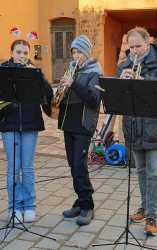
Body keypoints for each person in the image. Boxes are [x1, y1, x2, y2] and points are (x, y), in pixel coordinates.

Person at [117, 27, 157, 235]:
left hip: (155, 126)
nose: (134, 51)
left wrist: (144, 84)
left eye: (138, 46)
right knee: (140, 171)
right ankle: (143, 207)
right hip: (134, 126)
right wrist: (122, 83)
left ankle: (152, 215)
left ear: (148, 42)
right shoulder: (125, 64)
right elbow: (119, 98)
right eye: (131, 47)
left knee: (153, 174)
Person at [0, 39, 53, 223]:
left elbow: (48, 95)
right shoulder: (4, 70)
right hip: (9, 125)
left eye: (25, 53)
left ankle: (29, 205)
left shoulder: (34, 71)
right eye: (19, 52)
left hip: (30, 124)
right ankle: (14, 207)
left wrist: (39, 77)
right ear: (12, 52)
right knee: (13, 168)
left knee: (28, 168)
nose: (22, 56)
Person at [58, 35, 102, 226]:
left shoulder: (94, 72)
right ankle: (80, 200)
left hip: (83, 125)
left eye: (78, 52)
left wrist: (73, 84)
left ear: (86, 53)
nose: (75, 56)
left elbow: (93, 99)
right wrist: (60, 89)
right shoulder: (72, 70)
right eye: (73, 52)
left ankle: (87, 206)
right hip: (69, 123)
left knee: (79, 166)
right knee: (72, 165)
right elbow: (63, 97)